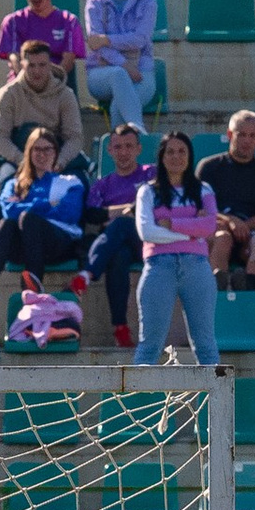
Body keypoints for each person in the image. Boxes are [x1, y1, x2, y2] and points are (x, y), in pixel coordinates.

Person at [133, 132, 220, 368]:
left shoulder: (204, 190)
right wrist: (193, 232)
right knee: (150, 345)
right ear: (161, 157)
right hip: (159, 267)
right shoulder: (147, 192)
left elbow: (210, 226)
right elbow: (147, 232)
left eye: (182, 151)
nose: (176, 157)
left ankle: (216, 404)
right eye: (170, 151)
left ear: (190, 156)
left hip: (197, 268)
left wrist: (171, 223)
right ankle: (137, 403)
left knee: (205, 344)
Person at [0, 128, 86, 292]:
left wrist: (27, 206)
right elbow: (10, 211)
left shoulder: (70, 182)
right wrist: (49, 204)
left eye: (47, 149)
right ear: (28, 153)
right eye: (36, 149)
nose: (42, 154)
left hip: (58, 244)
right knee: (7, 223)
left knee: (29, 219)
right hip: (24, 245)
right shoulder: (13, 184)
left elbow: (69, 214)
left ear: (55, 153)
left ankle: (33, 289)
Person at [81, 122, 149, 348]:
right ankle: (120, 327)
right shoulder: (102, 185)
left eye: (129, 146)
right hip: (122, 244)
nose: (123, 152)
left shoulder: (151, 174)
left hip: (148, 239)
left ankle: (88, 274)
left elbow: (157, 203)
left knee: (120, 224)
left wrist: (117, 213)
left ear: (139, 149)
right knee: (118, 256)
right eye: (118, 147)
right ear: (109, 151)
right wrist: (126, 209)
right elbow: (92, 214)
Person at [199, 108, 255, 297]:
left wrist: (242, 226)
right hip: (216, 230)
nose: (247, 141)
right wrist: (230, 222)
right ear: (229, 135)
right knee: (222, 237)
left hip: (248, 235)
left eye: (252, 135)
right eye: (241, 134)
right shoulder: (209, 167)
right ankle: (217, 282)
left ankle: (248, 284)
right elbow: (199, 209)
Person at [83, 0, 156, 135]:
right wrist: (124, 65)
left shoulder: (148, 0)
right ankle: (139, 132)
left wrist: (106, 39)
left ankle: (122, 154)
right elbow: (94, 44)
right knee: (117, 75)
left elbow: (140, 39)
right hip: (101, 73)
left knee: (118, 107)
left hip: (142, 72)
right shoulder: (94, 2)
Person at [0, 35, 83, 167]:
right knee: (6, 180)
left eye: (42, 65)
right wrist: (24, 162)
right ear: (22, 65)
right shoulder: (8, 94)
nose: (37, 71)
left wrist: (59, 162)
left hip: (57, 159)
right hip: (18, 159)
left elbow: (74, 138)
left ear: (50, 65)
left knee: (79, 184)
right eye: (31, 65)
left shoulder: (66, 95)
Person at [0, 0, 84, 91]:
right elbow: (14, 58)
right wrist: (32, 83)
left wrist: (47, 84)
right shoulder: (12, 22)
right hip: (22, 87)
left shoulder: (69, 21)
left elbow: (68, 61)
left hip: (57, 86)